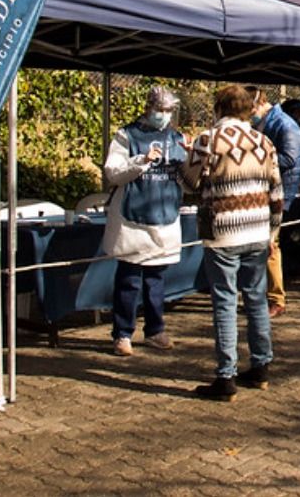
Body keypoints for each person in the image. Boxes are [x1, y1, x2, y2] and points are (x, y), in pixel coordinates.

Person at [182, 85, 283, 400]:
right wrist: (272, 234)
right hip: (256, 231)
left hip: (222, 231)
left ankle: (226, 377)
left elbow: (188, 181)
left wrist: (187, 157)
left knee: (225, 302)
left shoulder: (208, 140)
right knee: (256, 300)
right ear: (248, 110)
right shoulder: (264, 141)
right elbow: (276, 193)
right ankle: (261, 367)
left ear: (219, 108)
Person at [102, 86, 186, 356]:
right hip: (132, 219)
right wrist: (141, 161)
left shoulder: (176, 137)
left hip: (165, 216)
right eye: (160, 110)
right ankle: (122, 333)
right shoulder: (127, 135)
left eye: (168, 111)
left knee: (156, 280)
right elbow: (113, 173)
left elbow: (188, 178)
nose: (164, 115)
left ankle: (155, 329)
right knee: (129, 280)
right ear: (149, 108)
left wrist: (196, 157)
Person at [248, 86, 300, 319]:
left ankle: (276, 299)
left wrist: (254, 157)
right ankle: (260, 295)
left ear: (258, 103)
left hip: (276, 193)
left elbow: (290, 158)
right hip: (258, 190)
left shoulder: (286, 124)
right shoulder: (260, 123)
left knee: (271, 245)